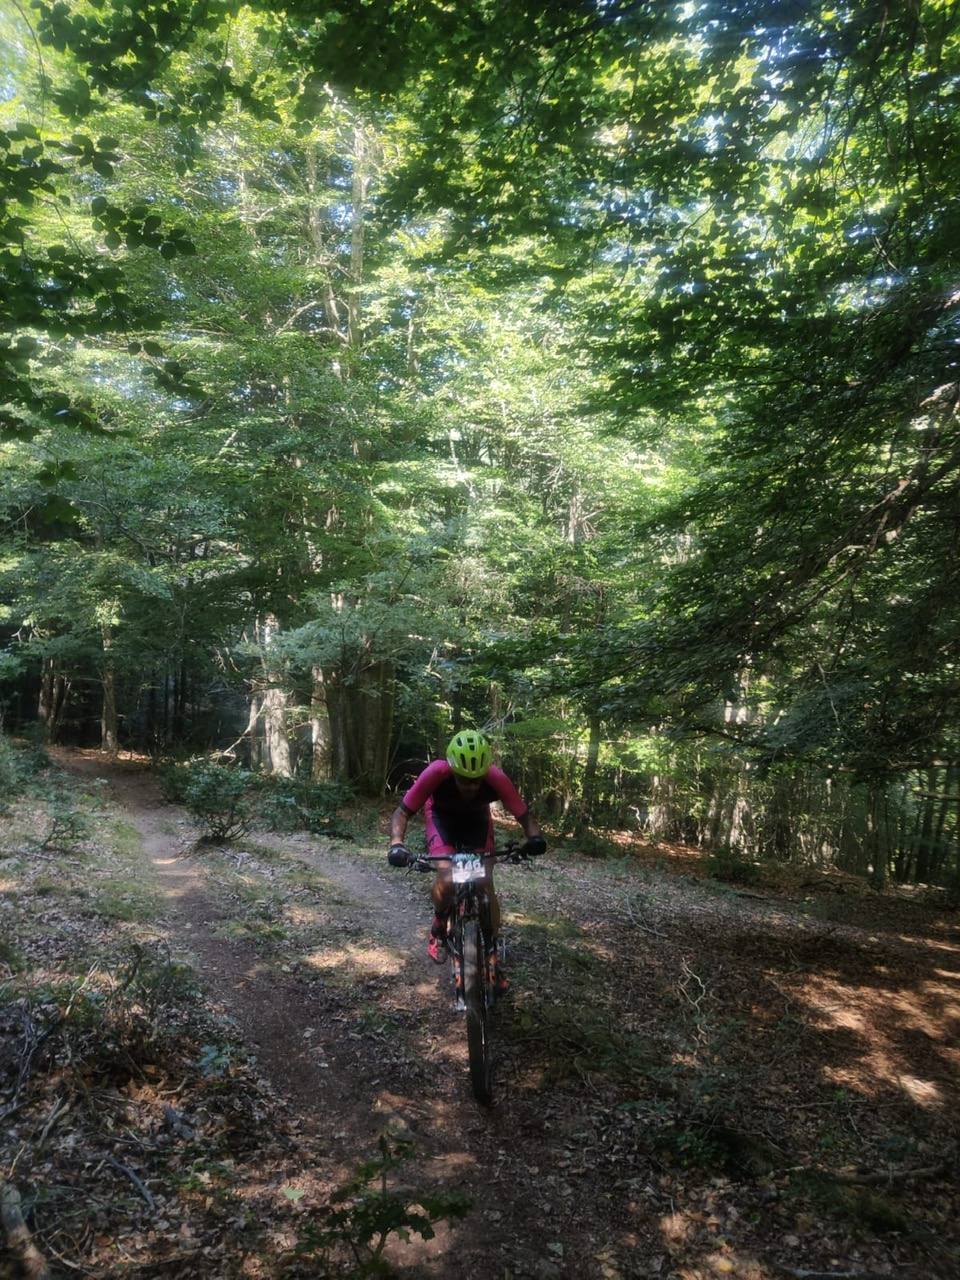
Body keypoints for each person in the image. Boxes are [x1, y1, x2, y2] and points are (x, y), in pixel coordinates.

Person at [387, 729, 545, 989]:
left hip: (476, 820)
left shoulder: (496, 778)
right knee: (447, 876)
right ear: (452, 770)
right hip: (441, 818)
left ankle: (491, 953)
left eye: (476, 780)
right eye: (463, 780)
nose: (471, 786)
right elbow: (401, 813)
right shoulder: (436, 773)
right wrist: (396, 844)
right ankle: (439, 922)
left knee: (485, 881)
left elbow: (525, 817)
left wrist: (535, 838)